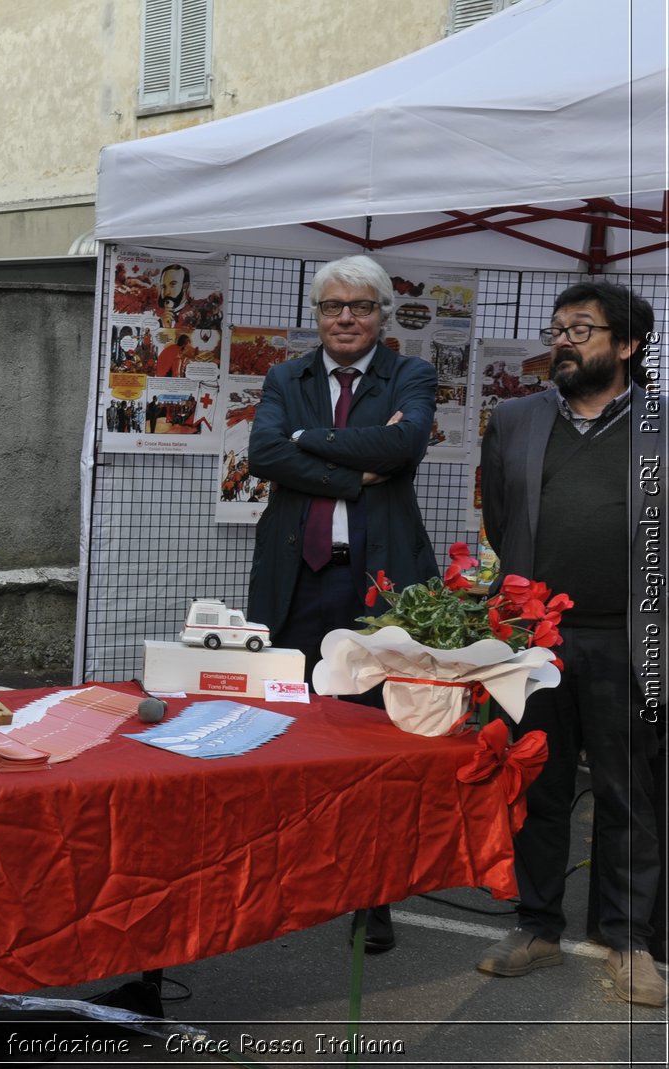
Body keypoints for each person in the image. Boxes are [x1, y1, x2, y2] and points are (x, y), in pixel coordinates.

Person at [474, 281, 666, 1008]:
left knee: (629, 795)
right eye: (559, 328)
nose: (563, 341)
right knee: (537, 786)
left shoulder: (663, 425)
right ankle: (537, 926)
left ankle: (630, 941)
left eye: (581, 330)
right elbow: (502, 520)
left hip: (631, 641)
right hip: (537, 641)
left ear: (626, 344)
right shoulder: (518, 419)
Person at [247, 253, 439, 954]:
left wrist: (307, 443)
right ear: (317, 315)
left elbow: (403, 441)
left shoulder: (410, 374)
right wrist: (356, 473)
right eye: (333, 307)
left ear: (384, 314)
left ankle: (371, 894)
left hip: (374, 589)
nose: (347, 318)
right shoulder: (283, 376)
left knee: (369, 742)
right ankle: (286, 875)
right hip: (296, 583)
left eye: (360, 306)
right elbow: (263, 451)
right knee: (286, 729)